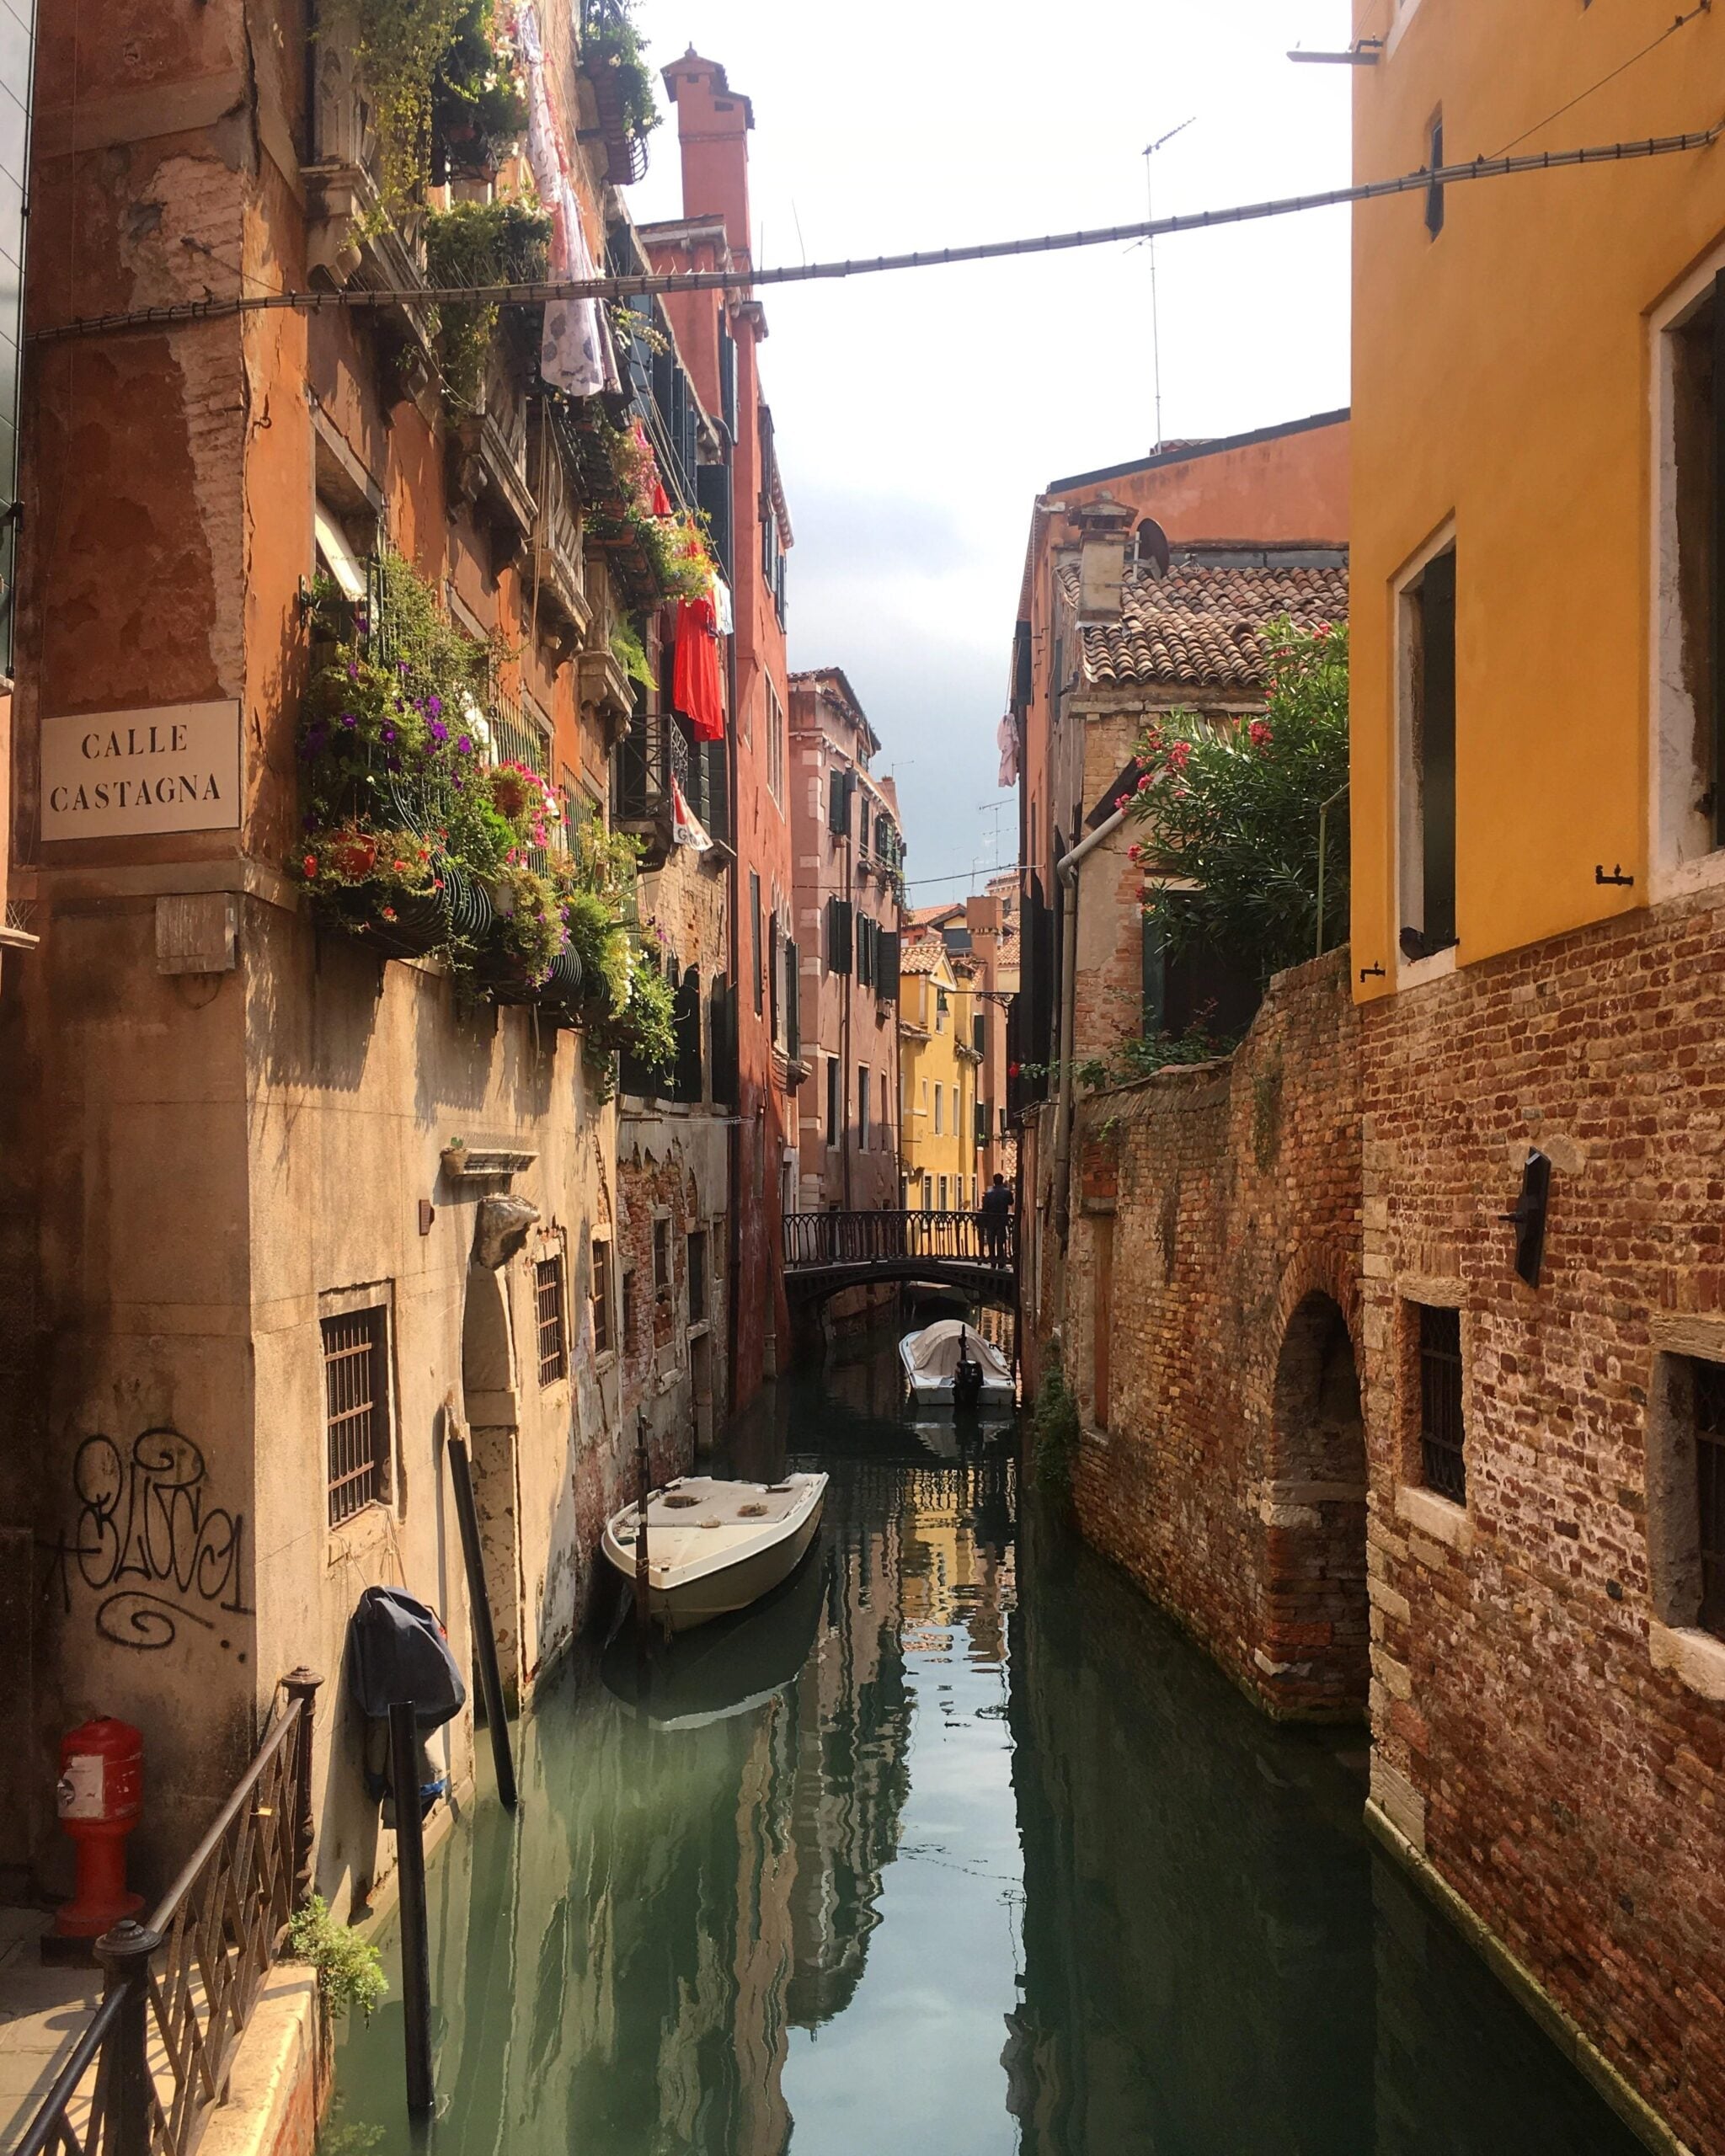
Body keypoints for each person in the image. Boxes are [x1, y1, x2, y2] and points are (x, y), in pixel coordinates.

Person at [979, 1173, 1013, 1266]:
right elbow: (1011, 1202)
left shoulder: (988, 1194)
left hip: (991, 1221)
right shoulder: (1007, 1193)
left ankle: (993, 1261)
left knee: (991, 1241)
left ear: (994, 1181)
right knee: (1000, 1241)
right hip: (1002, 1220)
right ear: (1002, 1181)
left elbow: (985, 1208)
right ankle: (1001, 1261)